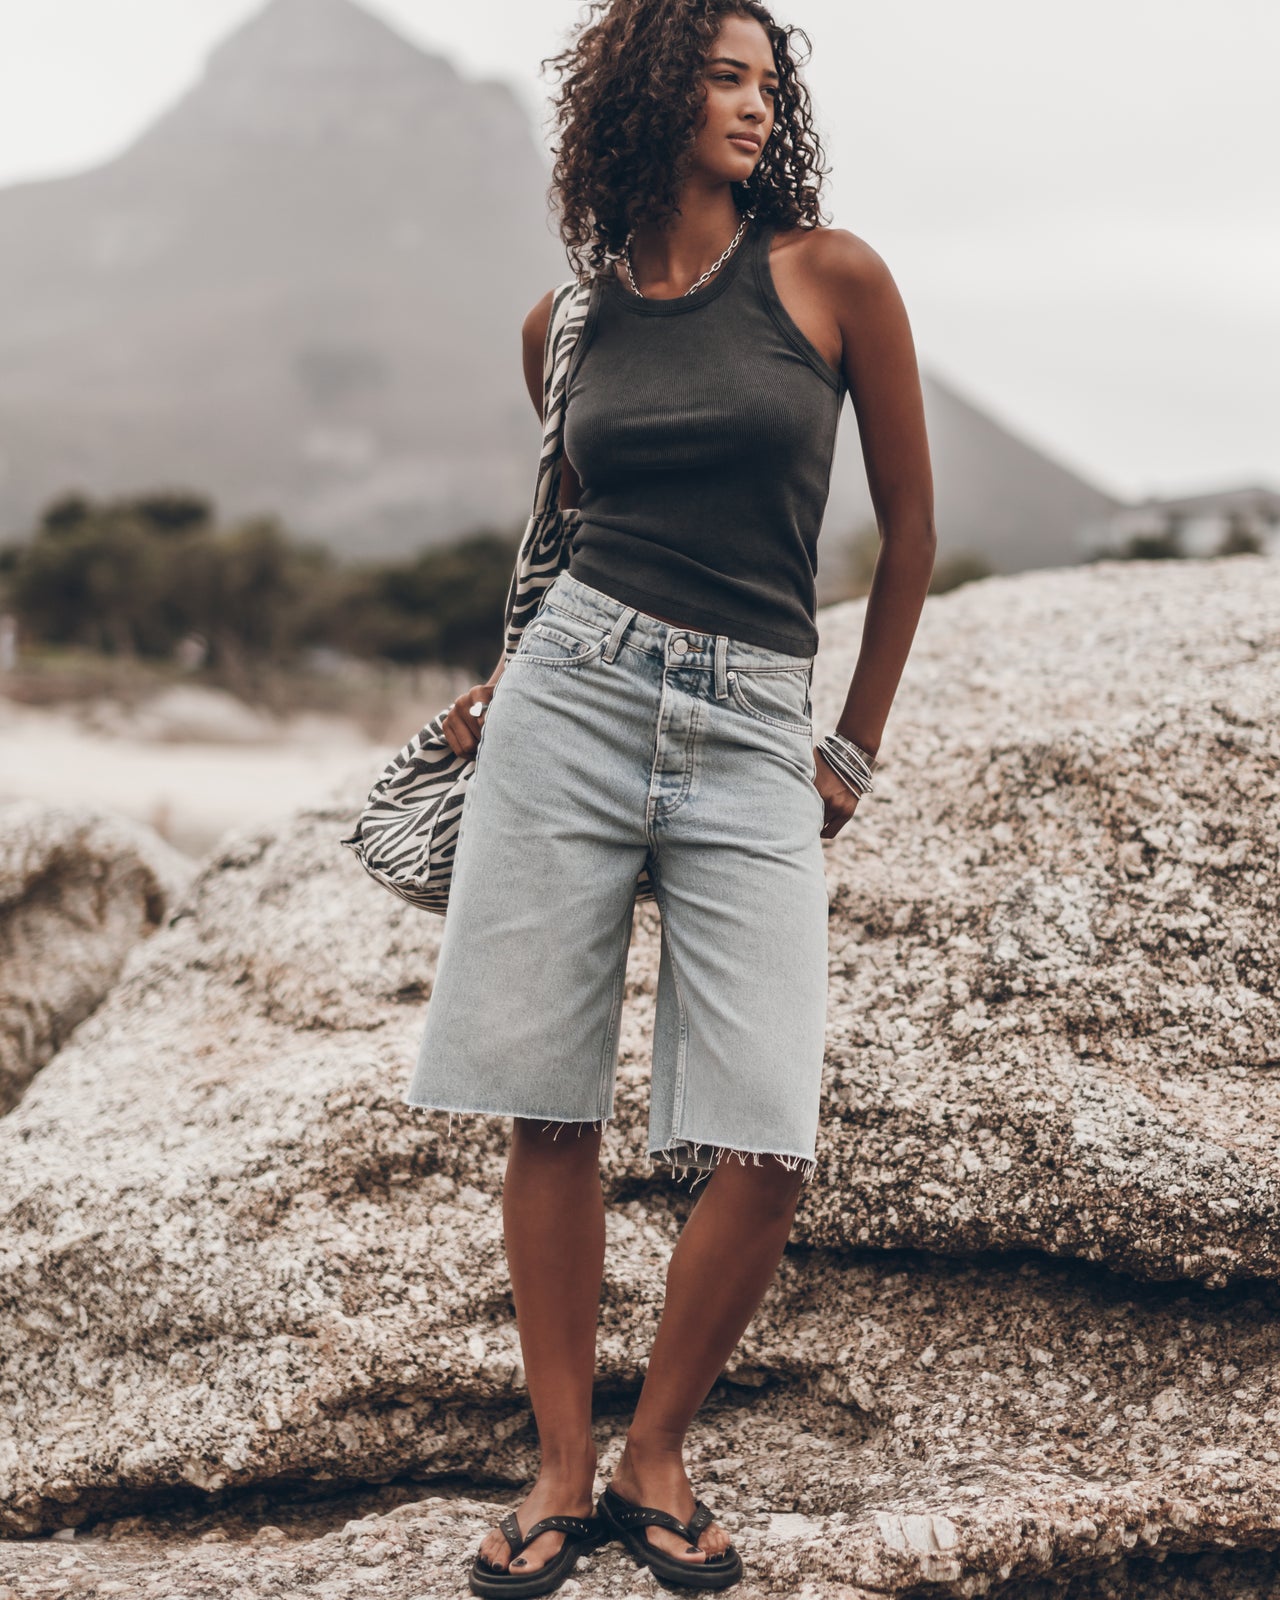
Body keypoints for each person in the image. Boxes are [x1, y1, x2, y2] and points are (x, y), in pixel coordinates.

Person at [410, 1, 935, 1592]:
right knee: (548, 1100)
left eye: (768, 83)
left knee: (767, 1130)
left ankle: (661, 1446)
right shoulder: (560, 329)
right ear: (646, 93)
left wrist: (848, 748)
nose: (753, 106)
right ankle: (567, 1464)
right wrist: (513, 681)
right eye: (720, 75)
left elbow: (908, 535)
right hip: (570, 701)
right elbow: (570, 544)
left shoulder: (832, 280)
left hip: (752, 722)